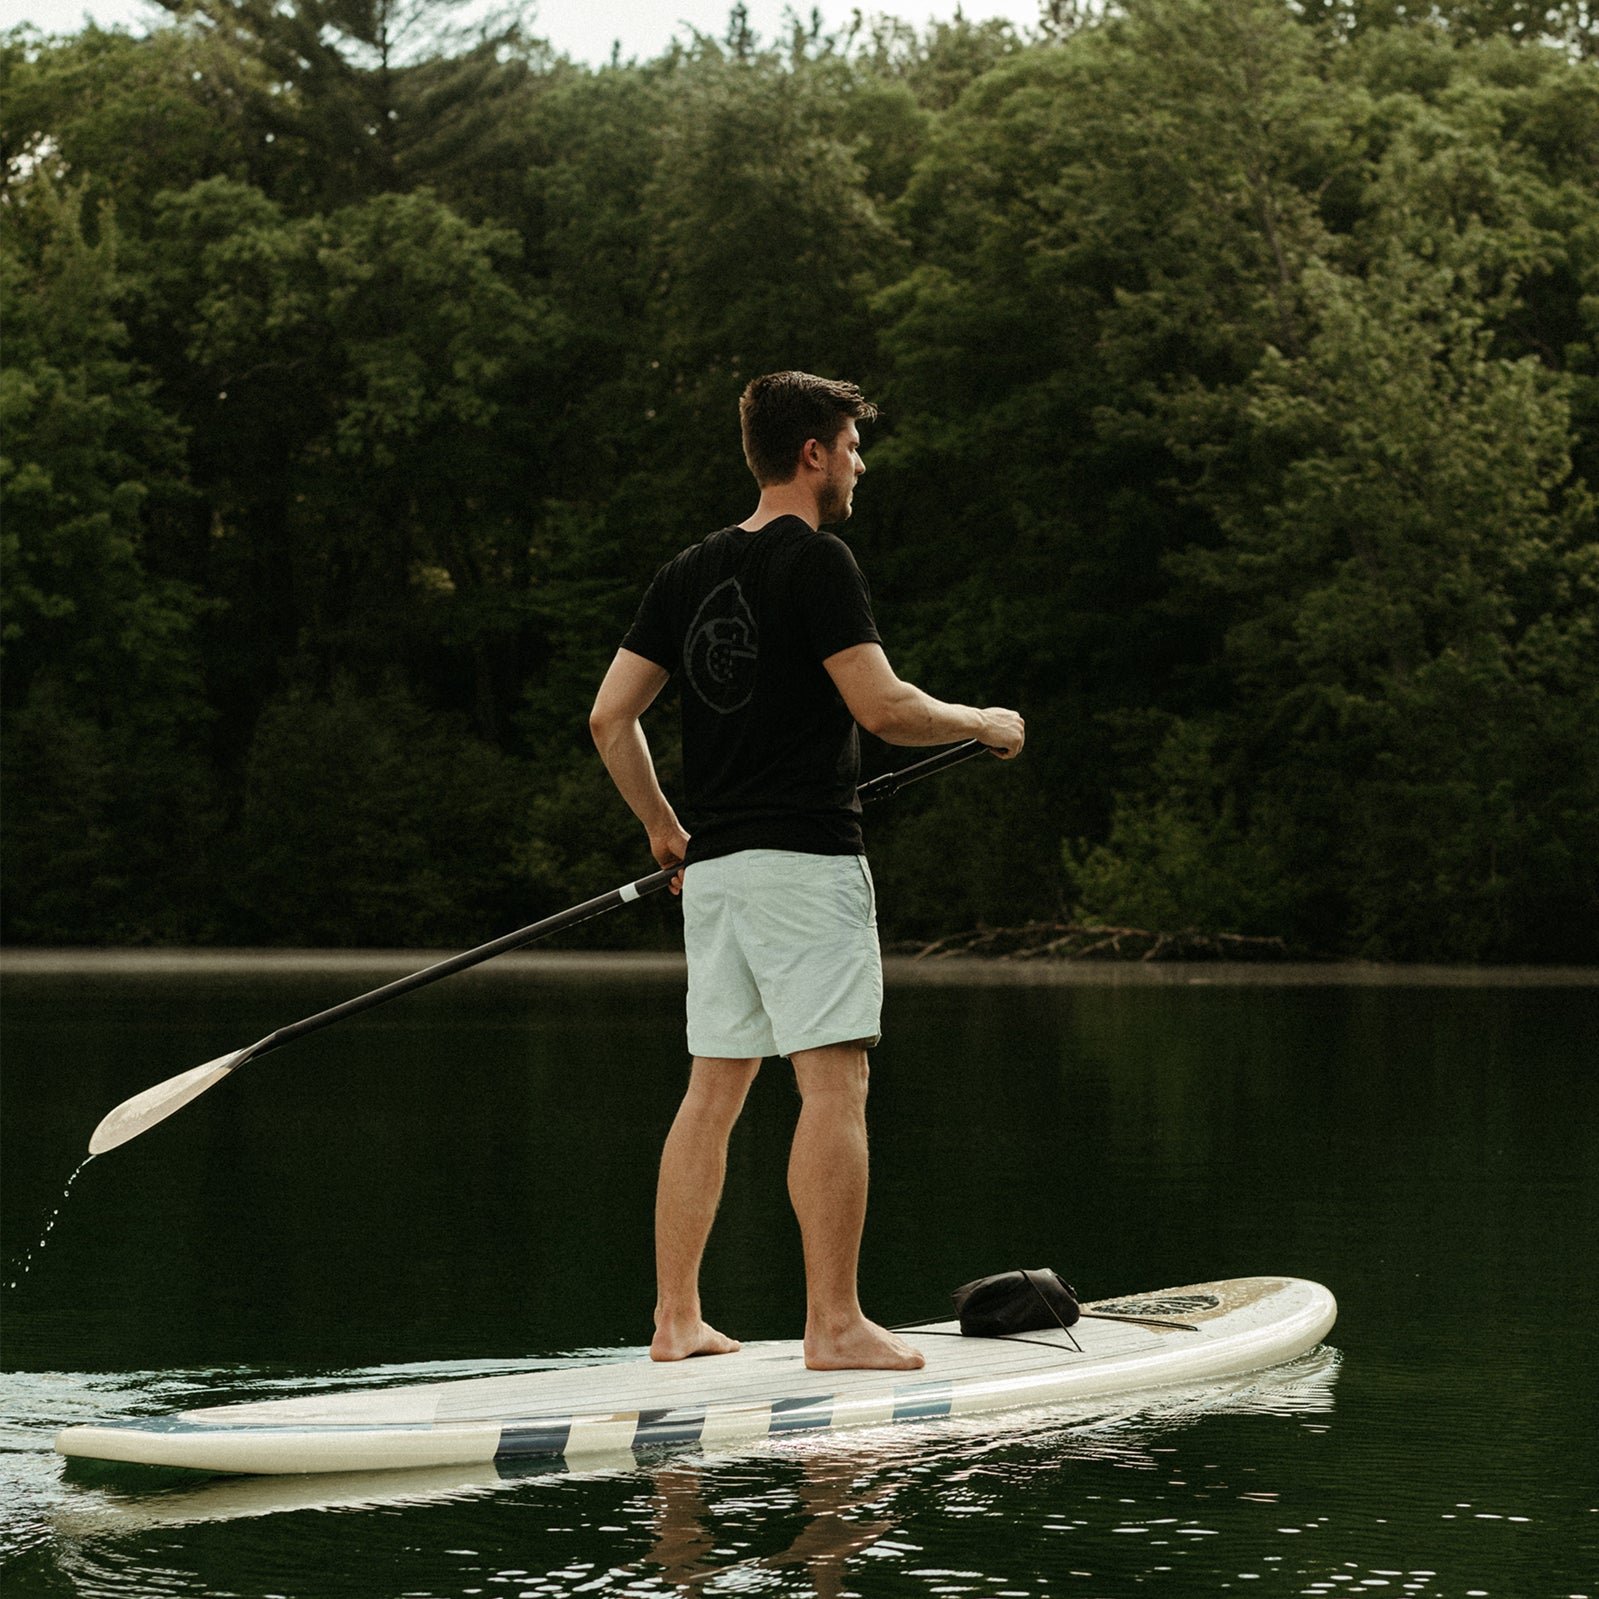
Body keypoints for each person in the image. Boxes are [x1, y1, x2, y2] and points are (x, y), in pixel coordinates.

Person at [589, 371, 1024, 1371]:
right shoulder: (821, 560)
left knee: (714, 1093)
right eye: (852, 447)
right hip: (805, 866)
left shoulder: (686, 572)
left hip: (723, 875)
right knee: (834, 1084)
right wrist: (982, 723)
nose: (861, 464)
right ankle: (833, 1325)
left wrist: (664, 831)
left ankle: (675, 1321)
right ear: (814, 455)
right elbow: (883, 708)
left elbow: (610, 718)